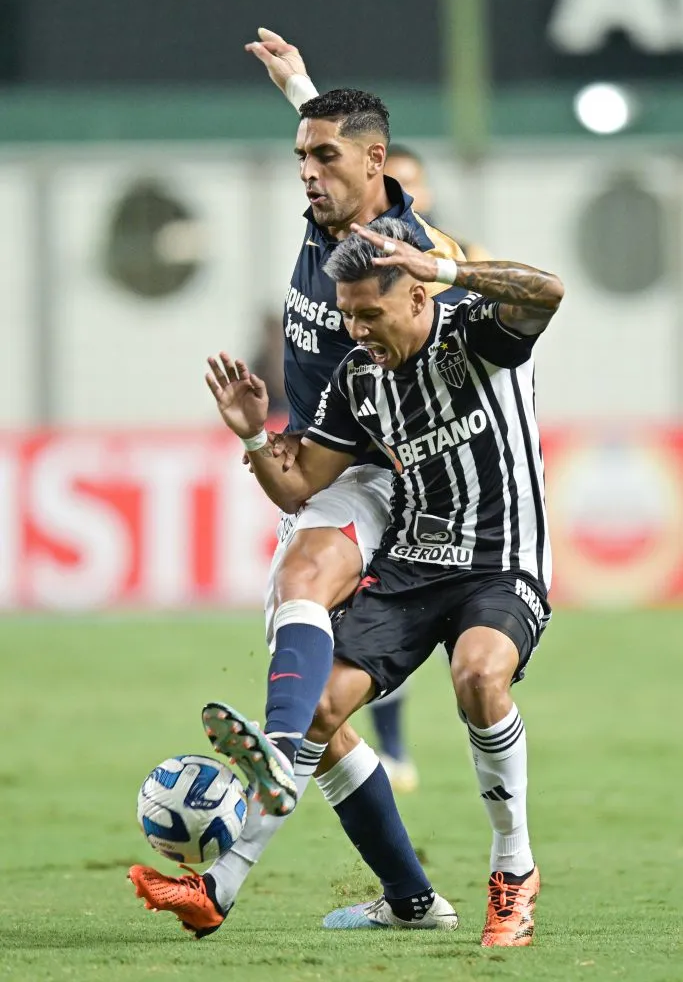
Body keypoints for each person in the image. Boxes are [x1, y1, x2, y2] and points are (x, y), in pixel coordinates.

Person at [129, 30, 464, 935]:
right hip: (321, 462)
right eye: (299, 159)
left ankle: (262, 780)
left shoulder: (404, 253)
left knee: (301, 583)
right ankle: (410, 900)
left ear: (375, 163)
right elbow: (340, 144)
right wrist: (300, 86)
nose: (307, 174)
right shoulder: (326, 218)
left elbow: (472, 309)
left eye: (323, 160)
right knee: (324, 718)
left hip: (382, 473)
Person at [202, 217, 561, 945]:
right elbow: (299, 482)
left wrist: (447, 269)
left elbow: (547, 292)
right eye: (346, 315)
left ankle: (512, 870)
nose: (357, 329)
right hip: (410, 568)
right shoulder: (359, 380)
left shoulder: (475, 335)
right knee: (319, 710)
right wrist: (250, 432)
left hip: (502, 559)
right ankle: (228, 885)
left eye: (371, 313)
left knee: (478, 675)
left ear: (418, 298)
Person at [369, 146, 491, 792]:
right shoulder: (361, 268)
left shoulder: (465, 260)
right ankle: (391, 748)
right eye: (394, 188)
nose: (404, 198)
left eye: (411, 186)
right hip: (390, 452)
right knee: (378, 592)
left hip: (461, 456)